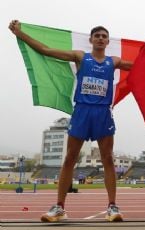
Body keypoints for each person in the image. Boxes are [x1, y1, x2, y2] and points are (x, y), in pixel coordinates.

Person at [9, 20, 133, 222]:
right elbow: (46, 50)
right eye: (97, 36)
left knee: (108, 159)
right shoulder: (80, 56)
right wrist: (20, 34)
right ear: (91, 40)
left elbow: (142, 67)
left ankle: (112, 207)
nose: (100, 38)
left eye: (104, 36)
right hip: (82, 111)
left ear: (108, 41)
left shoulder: (114, 61)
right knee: (70, 158)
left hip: (103, 113)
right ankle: (59, 207)